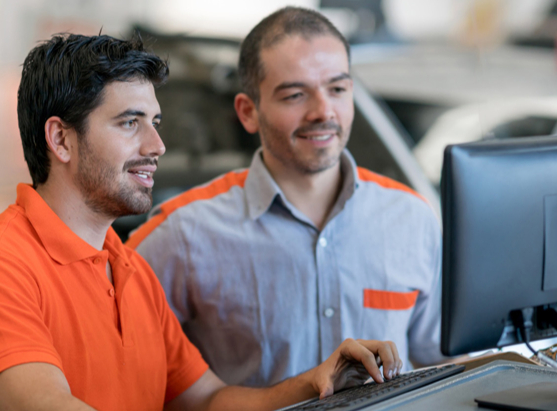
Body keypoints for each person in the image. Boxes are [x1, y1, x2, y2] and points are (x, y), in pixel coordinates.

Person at [0, 32, 401, 411]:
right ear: (60, 139)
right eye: (129, 123)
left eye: (154, 122)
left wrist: (315, 382)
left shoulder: (130, 269)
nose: (157, 144)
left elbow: (206, 406)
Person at [127, 6, 444, 388]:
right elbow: (112, 366)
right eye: (295, 95)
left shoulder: (412, 217)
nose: (323, 111)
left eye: (338, 89)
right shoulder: (182, 233)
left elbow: (443, 363)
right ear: (248, 112)